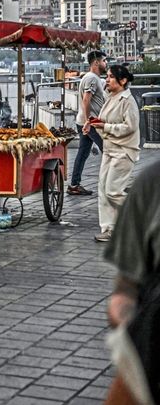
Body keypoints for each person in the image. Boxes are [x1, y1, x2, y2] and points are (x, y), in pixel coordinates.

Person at [102, 159, 160, 404]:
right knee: (107, 190)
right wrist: (133, 332)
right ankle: (108, 225)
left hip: (122, 152)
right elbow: (124, 290)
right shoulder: (152, 184)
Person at [88, 65, 140, 243]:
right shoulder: (111, 97)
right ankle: (110, 229)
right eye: (107, 76)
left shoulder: (128, 101)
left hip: (123, 151)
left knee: (113, 191)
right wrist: (94, 124)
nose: (107, 79)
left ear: (123, 80)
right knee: (103, 190)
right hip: (109, 150)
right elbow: (105, 120)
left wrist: (105, 127)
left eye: (111, 77)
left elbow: (130, 127)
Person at [68, 51, 107, 196]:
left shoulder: (94, 78)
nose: (106, 63)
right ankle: (110, 184)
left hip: (86, 121)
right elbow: (86, 100)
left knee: (83, 153)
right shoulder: (91, 78)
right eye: (104, 60)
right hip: (90, 122)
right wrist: (88, 122)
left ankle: (74, 185)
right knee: (108, 150)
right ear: (96, 62)